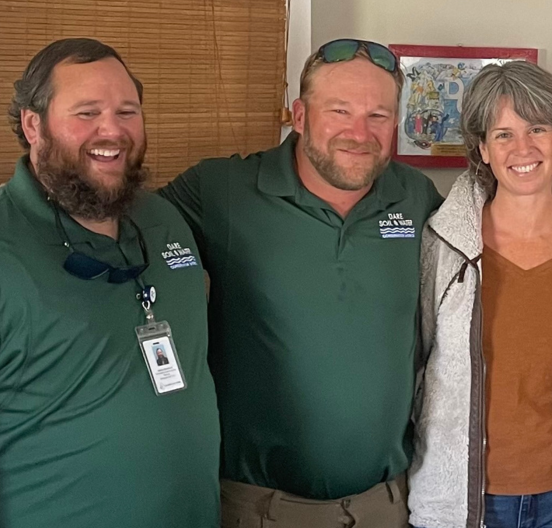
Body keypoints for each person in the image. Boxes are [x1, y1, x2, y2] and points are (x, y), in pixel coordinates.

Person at [157, 38, 444, 528]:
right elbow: (115, 231)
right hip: (259, 508)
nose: (360, 133)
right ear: (301, 115)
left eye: (377, 116)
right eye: (340, 111)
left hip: (388, 506)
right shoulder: (222, 191)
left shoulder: (415, 196)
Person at [0, 38, 221, 528]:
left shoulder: (163, 219)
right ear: (33, 125)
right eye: (87, 113)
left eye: (128, 111)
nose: (113, 130)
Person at [408, 60, 552, 528]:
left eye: (537, 129)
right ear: (483, 149)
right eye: (503, 134)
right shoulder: (443, 244)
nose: (522, 148)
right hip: (465, 494)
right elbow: (416, 357)